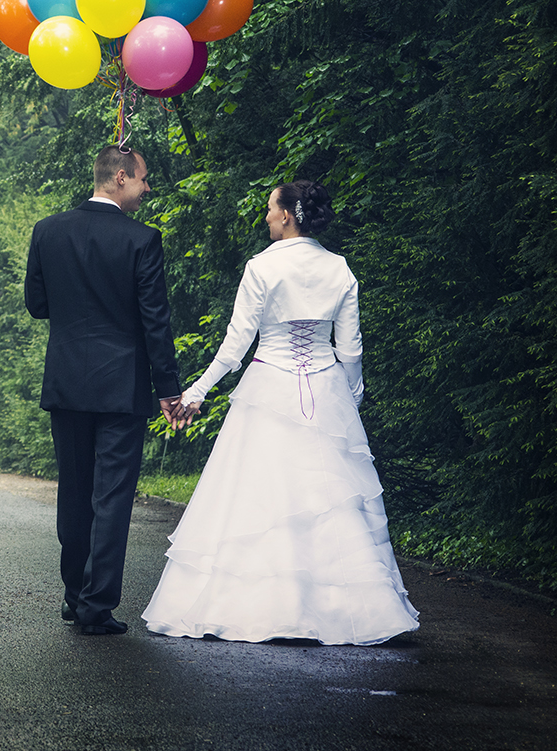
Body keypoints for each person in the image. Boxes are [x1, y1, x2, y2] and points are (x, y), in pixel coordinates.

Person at [141, 180, 419, 645]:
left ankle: (258, 607)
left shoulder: (262, 268)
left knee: (260, 494)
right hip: (325, 386)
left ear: (288, 214)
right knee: (329, 499)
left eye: (270, 209)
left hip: (269, 385)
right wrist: (349, 400)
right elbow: (350, 349)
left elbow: (236, 344)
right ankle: (344, 610)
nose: (266, 217)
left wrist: (197, 392)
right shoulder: (339, 269)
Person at [24, 145, 186, 636]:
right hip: (122, 385)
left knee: (74, 492)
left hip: (68, 380)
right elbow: (155, 321)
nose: (147, 188)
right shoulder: (142, 240)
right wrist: (168, 390)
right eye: (143, 180)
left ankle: (74, 596)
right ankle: (96, 606)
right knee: (112, 496)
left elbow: (36, 304)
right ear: (120, 178)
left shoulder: (48, 230)